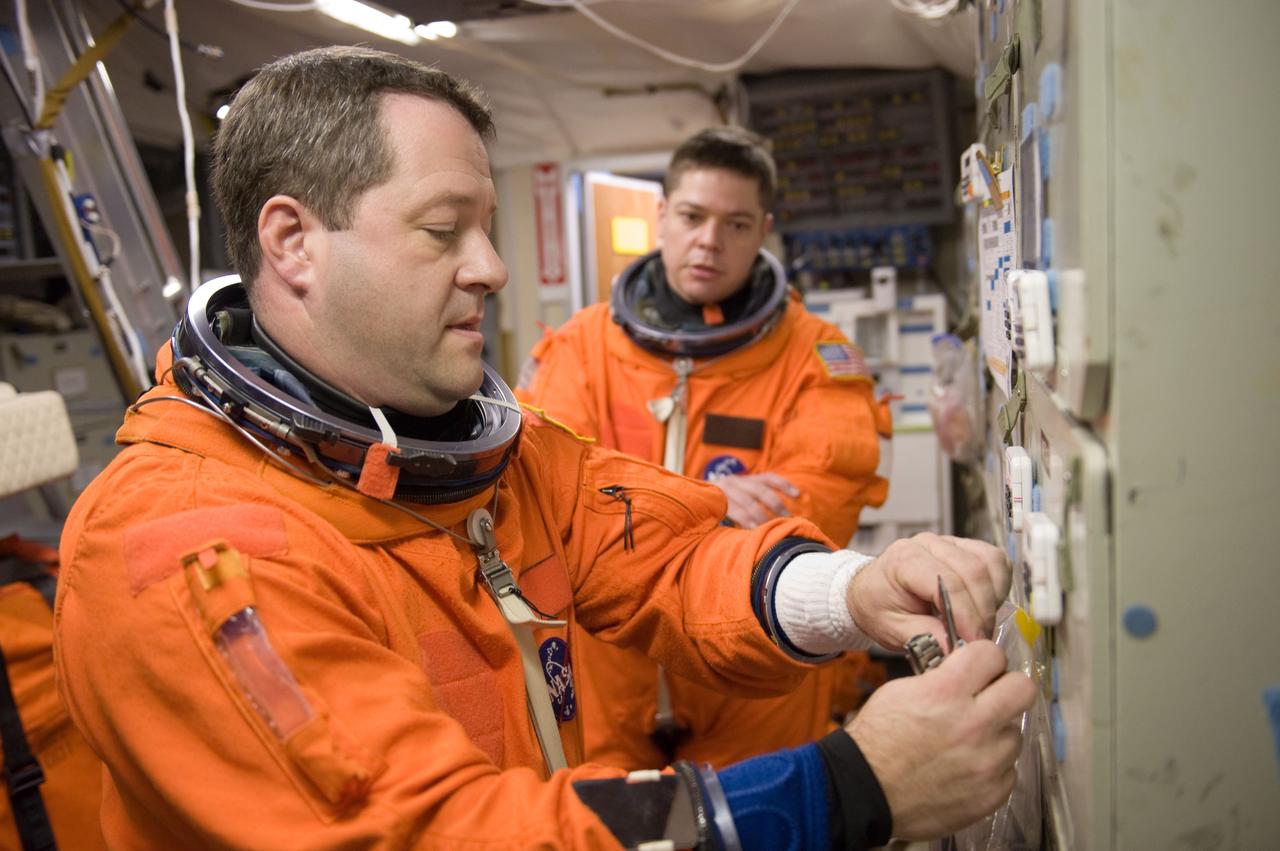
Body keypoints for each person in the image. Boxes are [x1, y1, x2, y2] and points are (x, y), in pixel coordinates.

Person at [53, 47, 1035, 850]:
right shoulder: (187, 554)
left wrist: (850, 591)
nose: (492, 267)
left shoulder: (475, 456)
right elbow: (429, 833)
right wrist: (841, 787)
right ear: (292, 241)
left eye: (484, 227)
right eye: (445, 230)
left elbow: (668, 552)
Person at [519, 126, 891, 769]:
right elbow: (549, 500)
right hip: (605, 667)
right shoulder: (582, 347)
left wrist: (640, 502)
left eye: (737, 224)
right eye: (692, 216)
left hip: (756, 670)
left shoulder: (816, 357)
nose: (710, 242)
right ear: (662, 216)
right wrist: (713, 499)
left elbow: (820, 509)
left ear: (763, 230)